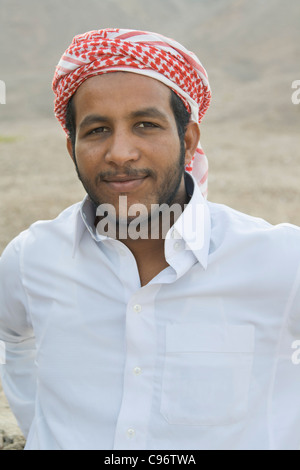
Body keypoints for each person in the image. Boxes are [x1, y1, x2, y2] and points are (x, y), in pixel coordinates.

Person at [0, 28, 300, 451]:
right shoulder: (32, 260)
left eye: (145, 125)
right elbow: (13, 340)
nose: (120, 152)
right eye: (98, 130)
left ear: (189, 140)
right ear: (72, 147)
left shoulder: (280, 262)